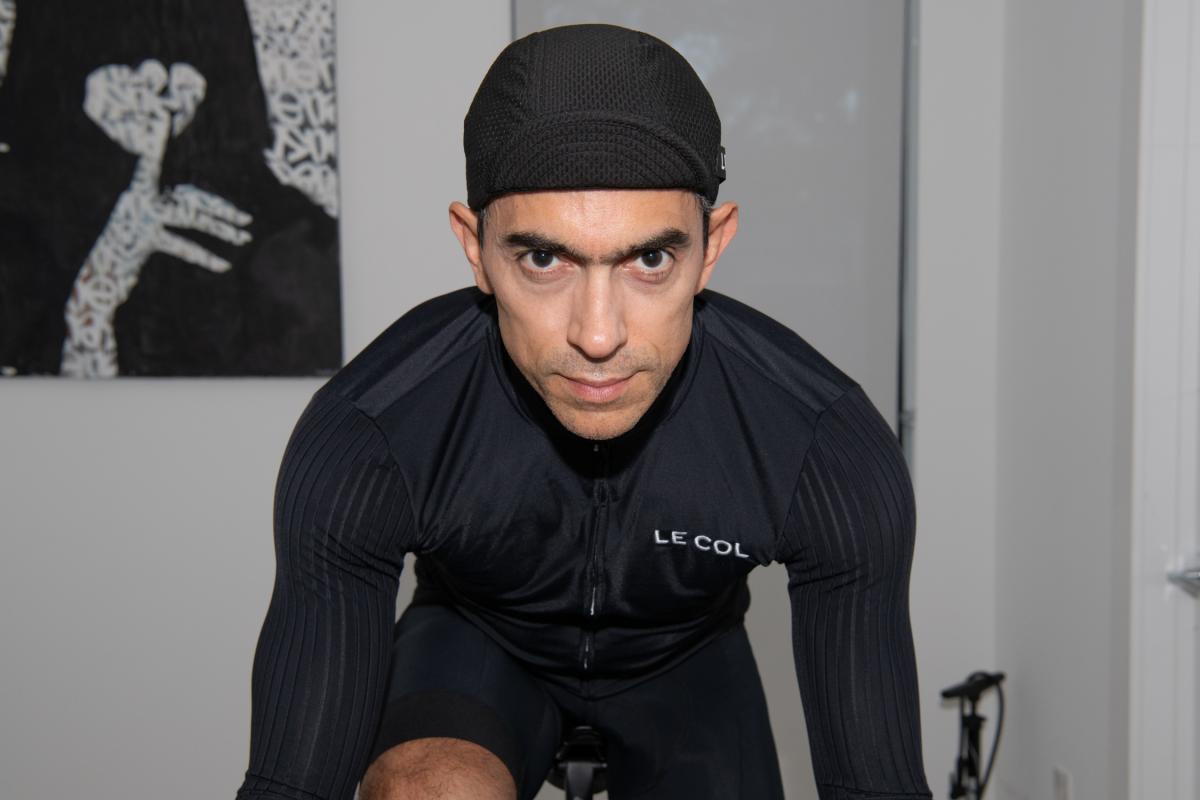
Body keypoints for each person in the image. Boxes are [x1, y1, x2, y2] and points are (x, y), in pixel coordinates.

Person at [236, 23, 932, 800]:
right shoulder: (374, 431)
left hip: (688, 660)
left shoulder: (818, 445)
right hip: (475, 641)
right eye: (544, 259)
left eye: (650, 259)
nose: (597, 337)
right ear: (474, 245)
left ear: (712, 245)